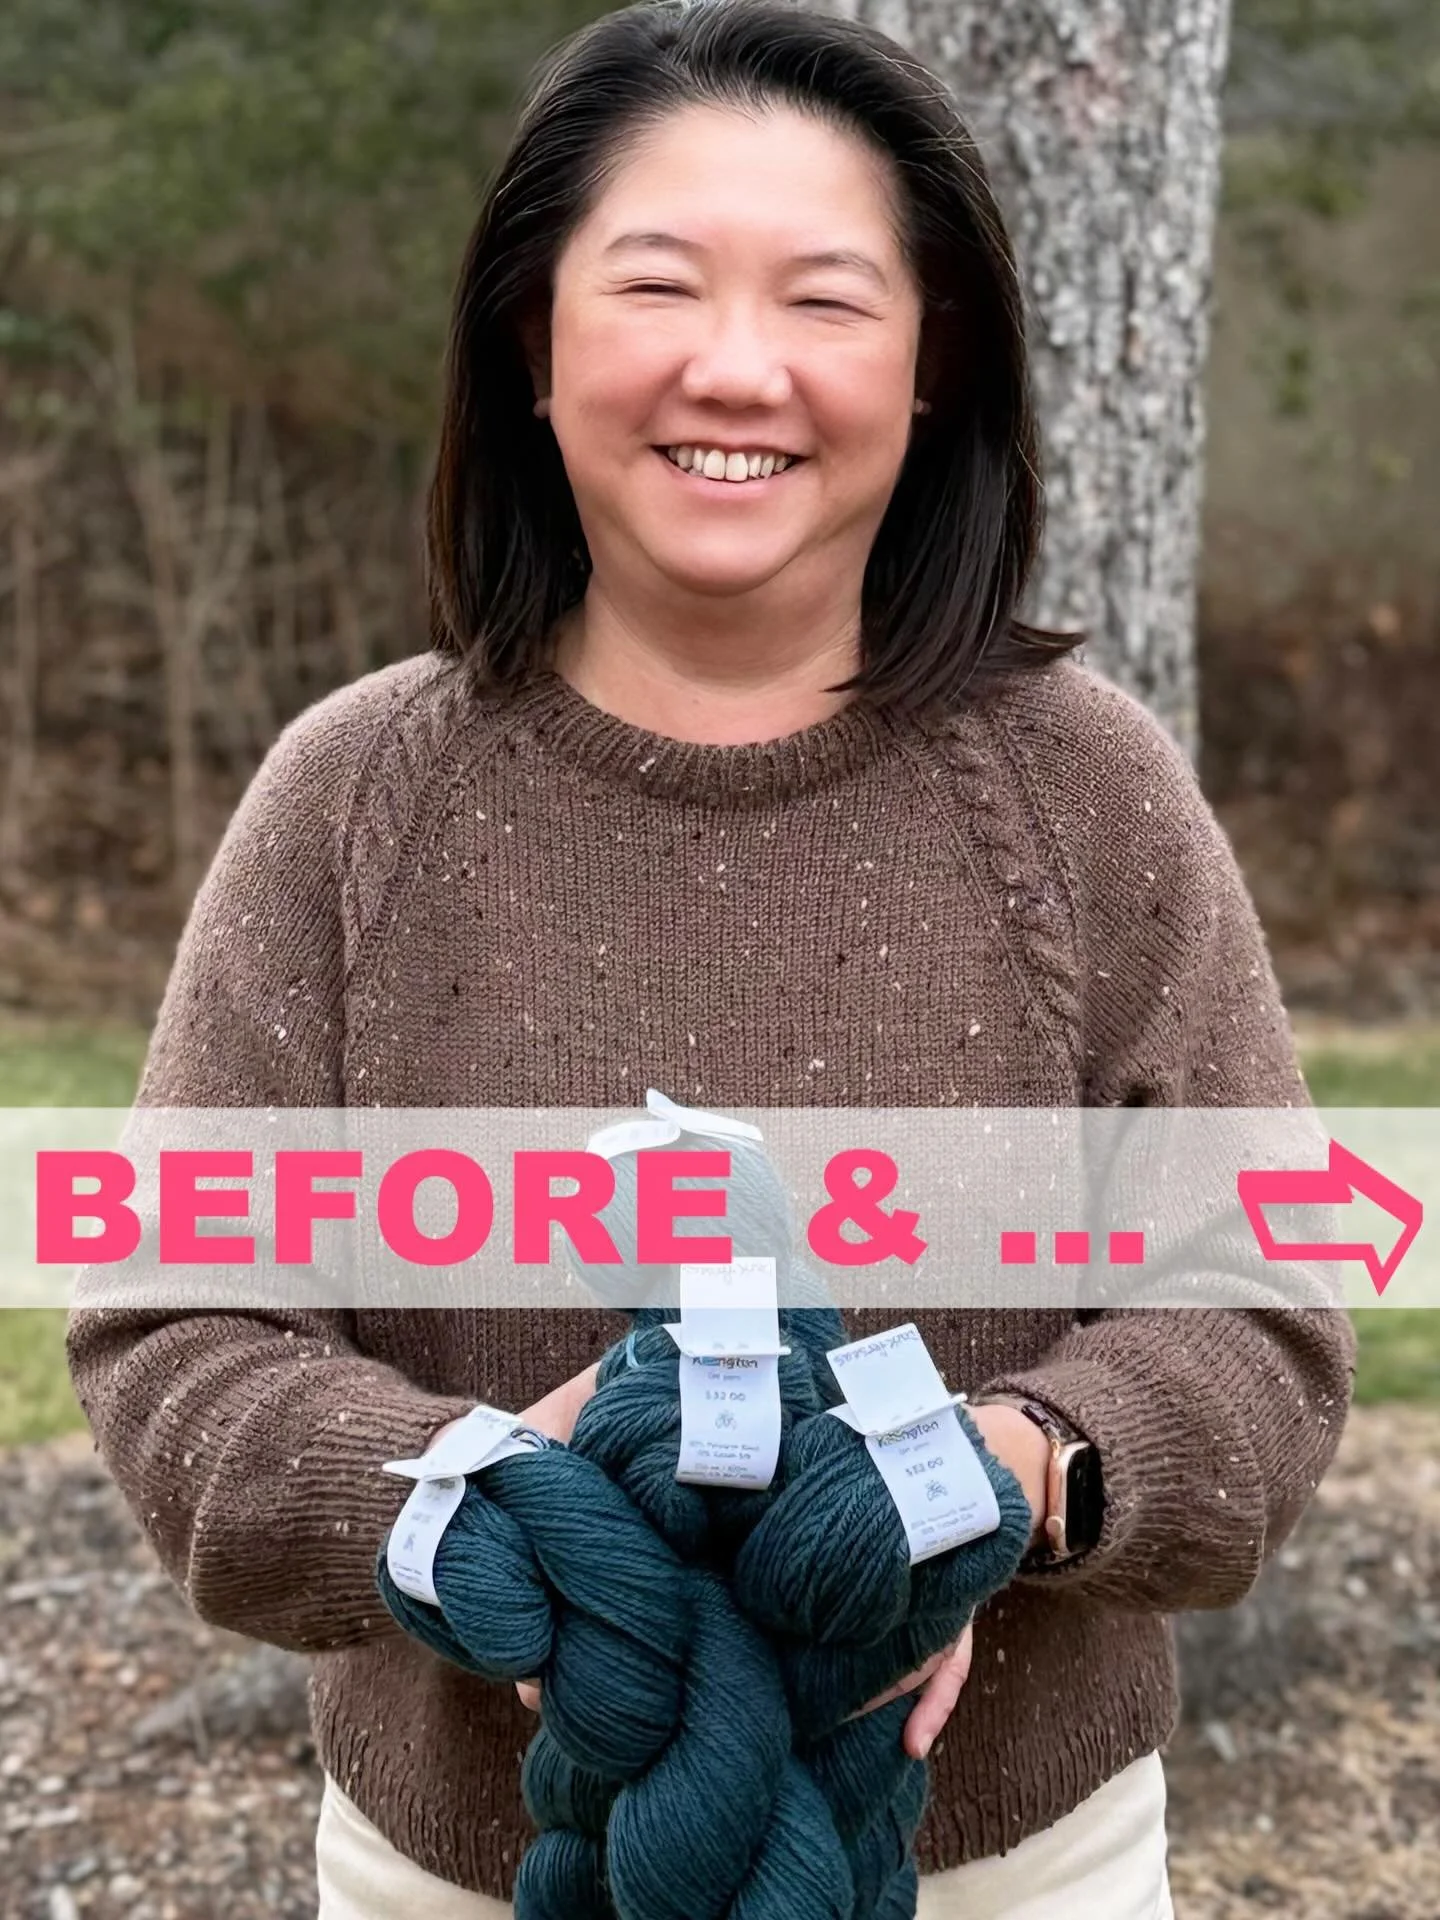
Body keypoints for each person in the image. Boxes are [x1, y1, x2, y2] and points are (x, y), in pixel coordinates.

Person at [67, 3, 1356, 1916]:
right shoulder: (353, 805)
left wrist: (992, 1474)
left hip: (1015, 1871)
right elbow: (173, 1332)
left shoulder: (1086, 799)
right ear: (533, 338)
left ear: (934, 368)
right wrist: (468, 1498)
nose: (738, 368)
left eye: (829, 301)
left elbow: (1269, 1297)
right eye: (658, 284)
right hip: (470, 1874)